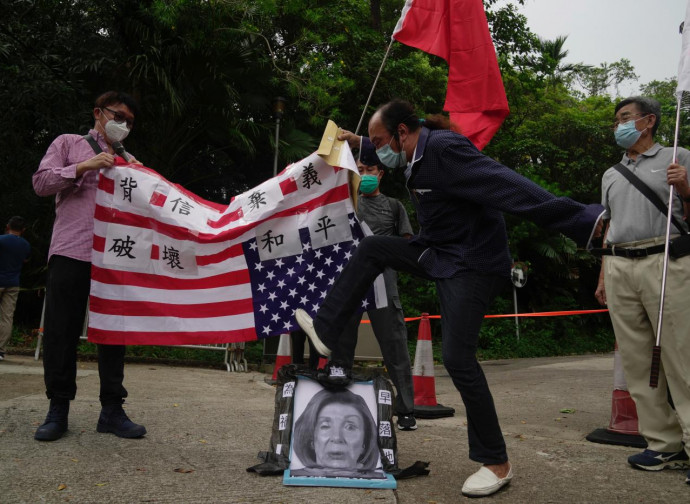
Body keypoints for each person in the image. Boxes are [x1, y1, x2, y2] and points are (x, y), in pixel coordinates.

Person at [296, 99, 604, 497]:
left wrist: (583, 220)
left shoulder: (446, 150)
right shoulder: (414, 149)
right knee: (372, 250)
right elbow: (381, 147)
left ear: (403, 133)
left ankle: (496, 462)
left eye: (380, 141)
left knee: (458, 358)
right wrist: (358, 141)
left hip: (474, 264)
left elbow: (509, 185)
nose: (378, 151)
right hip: (440, 254)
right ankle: (325, 327)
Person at [32, 91, 146, 442]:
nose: (122, 125)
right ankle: (58, 407)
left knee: (112, 333)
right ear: (98, 112)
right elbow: (41, 183)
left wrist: (144, 182)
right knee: (60, 332)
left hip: (113, 258)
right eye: (117, 116)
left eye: (128, 121)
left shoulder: (131, 160)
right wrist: (83, 166)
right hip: (72, 250)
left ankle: (112, 410)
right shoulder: (68, 143)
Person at [594, 96, 690, 484]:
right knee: (637, 362)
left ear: (648, 121)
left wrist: (685, 189)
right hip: (619, 263)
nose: (619, 126)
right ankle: (663, 443)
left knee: (681, 355)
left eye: (625, 118)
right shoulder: (612, 174)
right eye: (617, 120)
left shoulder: (678, 155)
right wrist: (604, 275)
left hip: (665, 259)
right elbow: (608, 226)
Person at [331, 157, 417, 431]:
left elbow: (408, 245)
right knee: (341, 346)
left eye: (370, 170)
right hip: (350, 282)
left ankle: (406, 411)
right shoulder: (345, 204)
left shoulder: (394, 206)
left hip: (384, 283)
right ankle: (334, 402)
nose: (365, 175)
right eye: (361, 171)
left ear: (380, 174)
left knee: (395, 346)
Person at [291, 387, 382, 478]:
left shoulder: (381, 479)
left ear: (365, 443)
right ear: (311, 440)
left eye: (350, 427)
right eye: (325, 426)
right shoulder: (293, 476)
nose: (337, 438)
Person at [0, 216, 31, 361]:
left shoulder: (2, 240)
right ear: (23, 230)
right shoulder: (25, 245)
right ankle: (1, 350)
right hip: (13, 283)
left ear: (7, 226)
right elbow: (25, 259)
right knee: (7, 317)